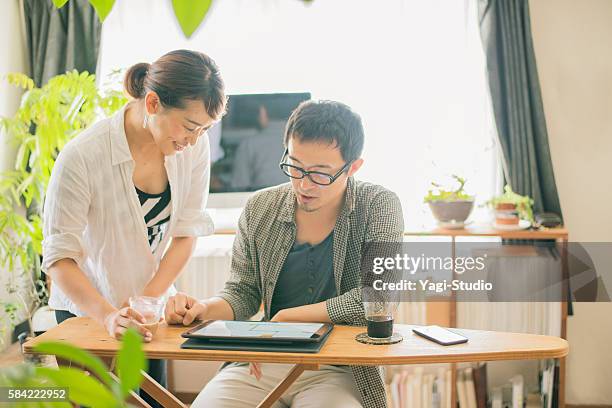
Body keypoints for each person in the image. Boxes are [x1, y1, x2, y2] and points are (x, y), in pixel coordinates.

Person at [165, 100, 404, 408]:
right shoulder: (260, 207)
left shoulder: (380, 206)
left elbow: (380, 297)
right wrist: (203, 308)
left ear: (353, 167)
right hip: (264, 362)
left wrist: (290, 318)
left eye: (320, 174)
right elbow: (243, 293)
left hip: (339, 367)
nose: (303, 185)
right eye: (295, 166)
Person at [42, 49, 226, 407]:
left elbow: (186, 232)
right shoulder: (82, 157)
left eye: (204, 129)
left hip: (147, 312)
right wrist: (109, 315)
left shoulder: (194, 146)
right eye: (189, 127)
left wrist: (149, 299)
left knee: (149, 400)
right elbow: (59, 259)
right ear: (154, 103)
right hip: (87, 310)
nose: (194, 140)